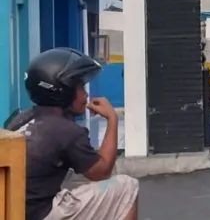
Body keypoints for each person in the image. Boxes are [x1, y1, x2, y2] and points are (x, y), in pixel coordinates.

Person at [6, 48, 139, 220]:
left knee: (76, 182)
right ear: (62, 90)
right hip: (39, 214)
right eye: (80, 87)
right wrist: (111, 118)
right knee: (126, 187)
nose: (86, 94)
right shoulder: (66, 131)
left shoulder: (20, 119)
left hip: (14, 210)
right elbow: (102, 171)